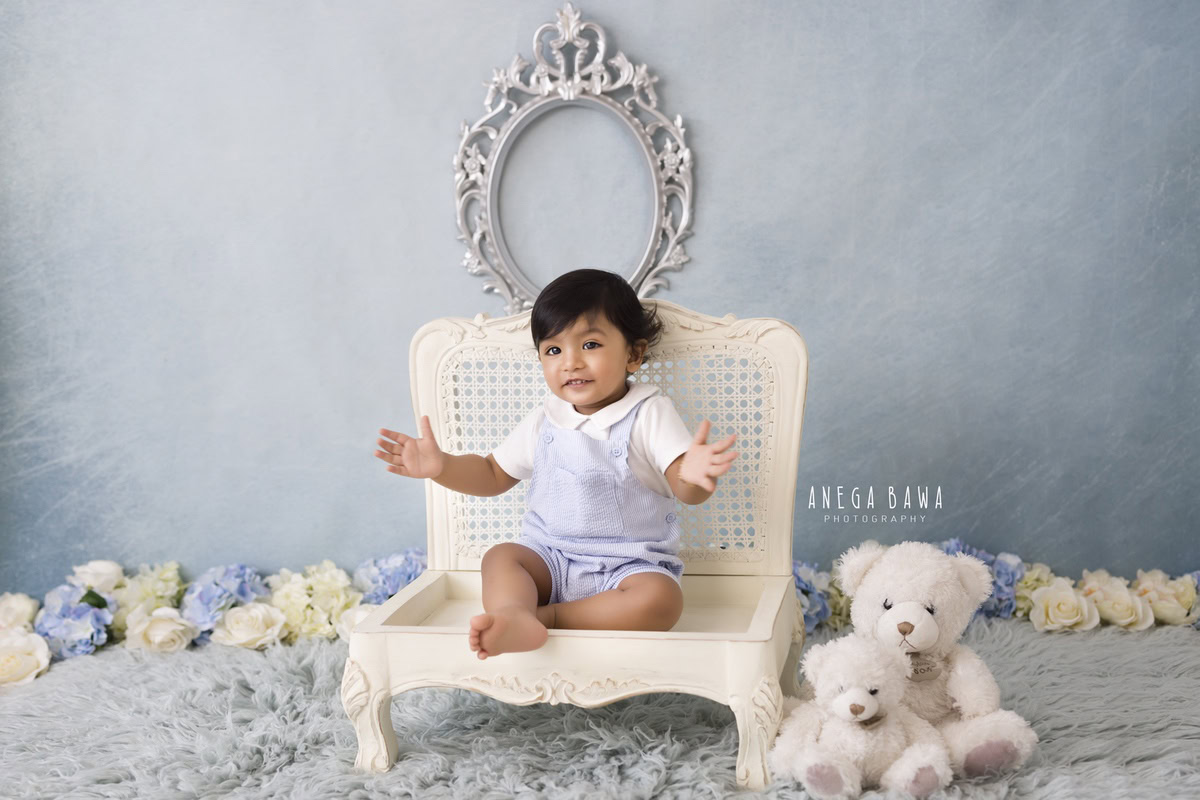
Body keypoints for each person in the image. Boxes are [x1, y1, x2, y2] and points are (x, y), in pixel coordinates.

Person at [374, 269, 738, 659]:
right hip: (549, 559)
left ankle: (545, 619)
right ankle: (513, 613)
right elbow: (493, 474)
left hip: (628, 567)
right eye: (553, 350)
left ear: (633, 354)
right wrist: (441, 466)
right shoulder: (546, 419)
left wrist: (695, 475)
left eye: (591, 344)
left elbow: (684, 487)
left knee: (663, 600)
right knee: (501, 556)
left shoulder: (649, 413)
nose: (571, 363)